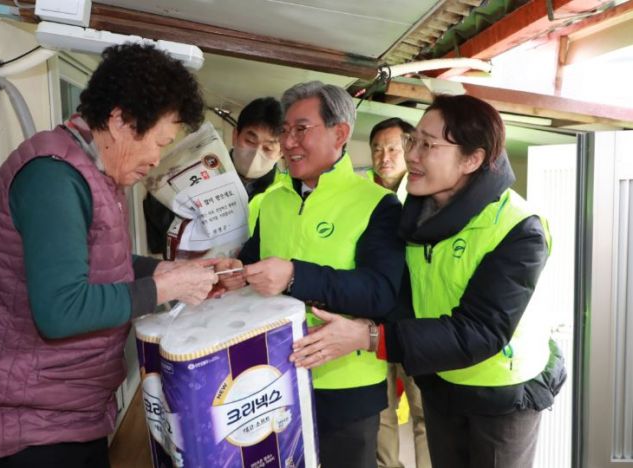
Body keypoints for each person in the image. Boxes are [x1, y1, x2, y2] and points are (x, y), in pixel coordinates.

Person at [0, 44, 220, 467]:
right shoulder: (53, 177)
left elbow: (96, 267)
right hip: (18, 432)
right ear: (121, 121)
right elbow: (60, 310)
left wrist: (167, 269)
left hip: (61, 417)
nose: (157, 158)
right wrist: (163, 287)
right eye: (158, 142)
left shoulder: (94, 175)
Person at [290, 94, 567, 468]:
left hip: (501, 392)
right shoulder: (418, 212)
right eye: (413, 141)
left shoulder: (518, 228)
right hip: (441, 381)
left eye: (428, 145)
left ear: (472, 159)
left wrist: (370, 336)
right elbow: (406, 295)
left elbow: (482, 331)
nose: (412, 155)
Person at [218, 81, 405, 468]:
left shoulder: (377, 204)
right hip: (270, 381)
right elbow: (253, 262)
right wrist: (234, 272)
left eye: (301, 129)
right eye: (285, 131)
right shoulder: (272, 202)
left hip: (345, 388)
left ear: (340, 133)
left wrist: (293, 277)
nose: (288, 142)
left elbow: (382, 292)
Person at [144, 96, 283, 255]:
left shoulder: (285, 195)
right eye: (250, 141)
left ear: (281, 152)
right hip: (190, 272)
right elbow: (157, 238)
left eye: (268, 149)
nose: (256, 153)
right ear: (235, 136)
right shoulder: (196, 169)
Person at [368, 118, 431, 468]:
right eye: (377, 149)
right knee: (381, 412)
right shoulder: (364, 199)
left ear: (410, 149)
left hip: (418, 323)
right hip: (375, 323)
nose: (384, 157)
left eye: (393, 148)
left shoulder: (427, 198)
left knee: (425, 412)